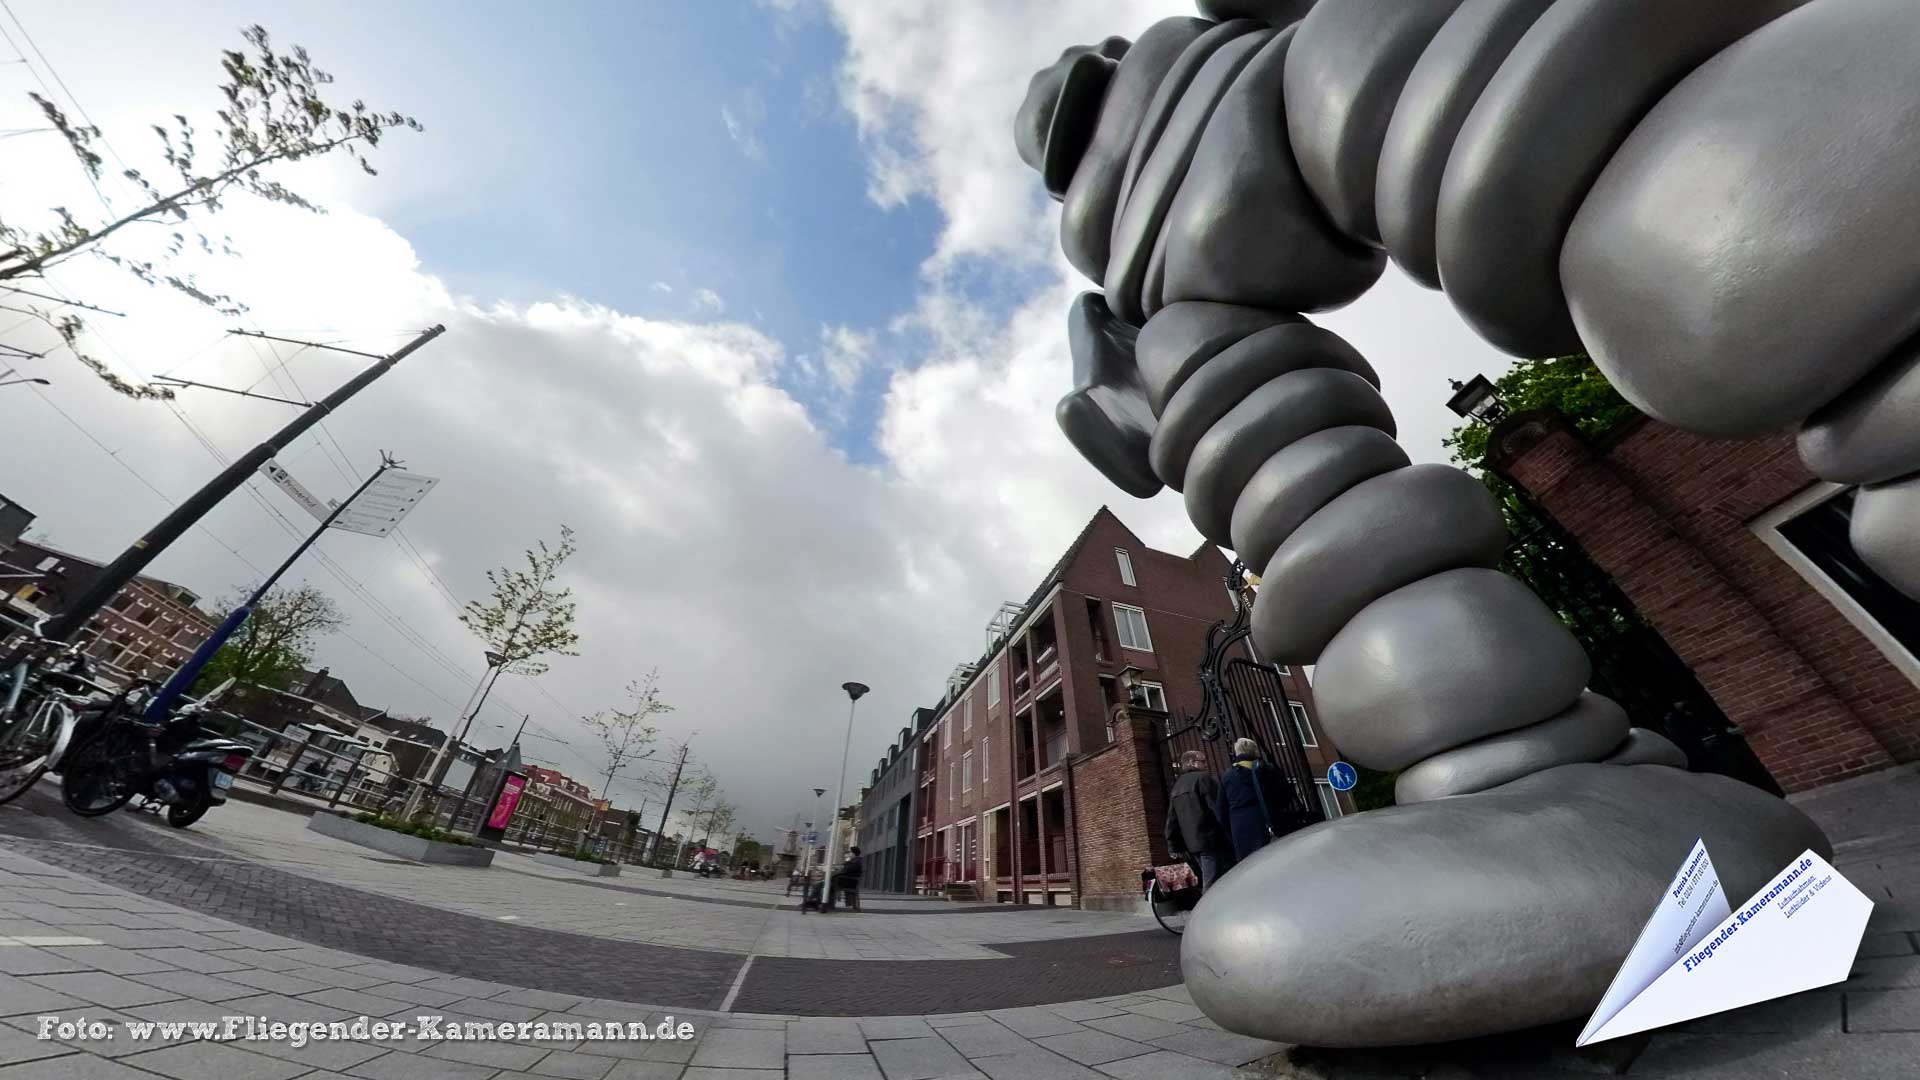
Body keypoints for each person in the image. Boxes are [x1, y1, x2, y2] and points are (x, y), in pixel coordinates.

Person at [1215, 737, 1309, 862]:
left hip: (1241, 829)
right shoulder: (1268, 769)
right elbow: (1284, 797)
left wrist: (1232, 830)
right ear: (1255, 751)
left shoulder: (1227, 776)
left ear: (1237, 752)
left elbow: (1221, 810)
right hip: (1270, 821)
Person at [1163, 750, 1232, 888]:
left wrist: (1172, 846)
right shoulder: (1202, 779)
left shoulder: (1176, 787)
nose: (1206, 764)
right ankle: (1208, 909)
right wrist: (1230, 831)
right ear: (1190, 762)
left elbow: (1171, 819)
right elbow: (1217, 808)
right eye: (1202, 761)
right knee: (1213, 881)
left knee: (1212, 879)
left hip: (1192, 844)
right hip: (1210, 840)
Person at [824, 846, 864, 912]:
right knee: (823, 884)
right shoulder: (855, 860)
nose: (848, 854)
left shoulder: (856, 861)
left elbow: (846, 870)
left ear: (853, 853)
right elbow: (846, 870)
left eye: (850, 852)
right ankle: (815, 902)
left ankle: (825, 904)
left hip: (848, 882)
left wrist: (847, 861)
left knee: (825, 885)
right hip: (847, 881)